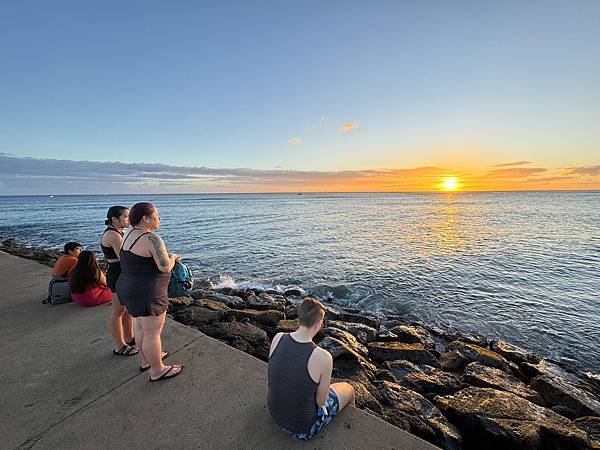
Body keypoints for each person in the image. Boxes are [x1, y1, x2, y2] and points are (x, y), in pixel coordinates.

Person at [267, 296, 355, 440]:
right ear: (318, 323)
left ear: (299, 317)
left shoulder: (278, 337)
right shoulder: (323, 357)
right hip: (303, 430)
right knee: (349, 389)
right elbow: (321, 402)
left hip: (274, 416)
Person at [116, 202, 183, 381]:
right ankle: (157, 370)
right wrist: (173, 257)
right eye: (156, 215)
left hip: (129, 287)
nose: (159, 219)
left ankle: (146, 360)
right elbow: (164, 267)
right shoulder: (152, 238)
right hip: (148, 292)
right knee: (152, 333)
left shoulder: (127, 234)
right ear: (146, 218)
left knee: (140, 327)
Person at [101, 206, 137, 357]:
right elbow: (125, 260)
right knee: (117, 311)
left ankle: (129, 337)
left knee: (126, 309)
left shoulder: (117, 232)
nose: (129, 220)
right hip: (117, 275)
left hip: (119, 273)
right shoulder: (113, 235)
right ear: (114, 219)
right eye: (126, 217)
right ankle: (119, 345)